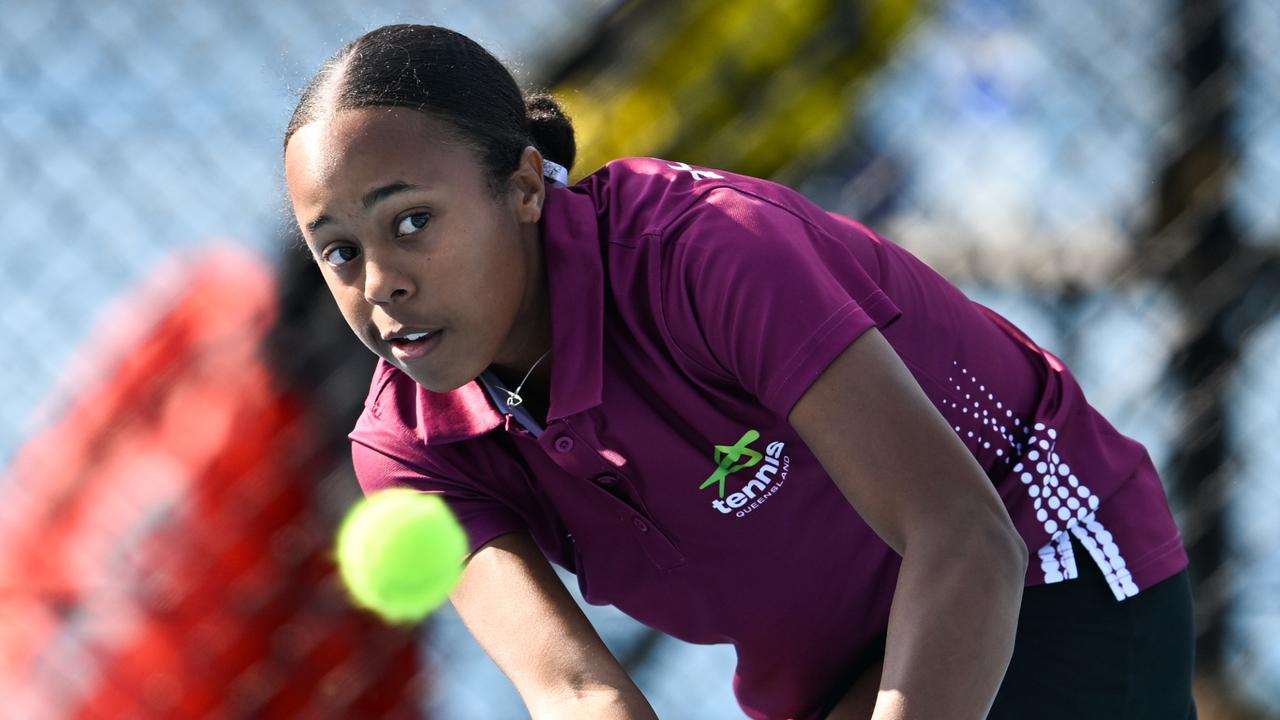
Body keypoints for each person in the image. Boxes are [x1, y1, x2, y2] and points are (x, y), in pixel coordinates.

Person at [281, 23, 1196, 720]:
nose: (381, 283)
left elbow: (962, 535)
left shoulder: (707, 255)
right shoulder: (408, 452)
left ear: (523, 186)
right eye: (338, 252)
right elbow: (580, 695)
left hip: (1044, 563)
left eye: (410, 223)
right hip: (825, 672)